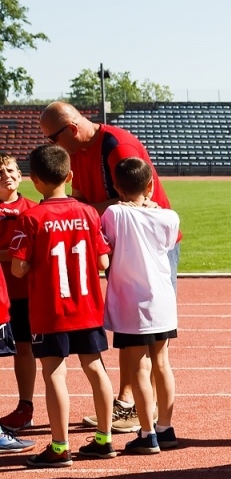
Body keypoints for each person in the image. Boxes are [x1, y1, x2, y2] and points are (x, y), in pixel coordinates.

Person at [40, 100, 177, 435]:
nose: (52, 147)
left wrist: (85, 212)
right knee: (139, 335)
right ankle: (141, 411)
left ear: (71, 129)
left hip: (145, 245)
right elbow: (85, 199)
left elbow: (134, 201)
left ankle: (136, 409)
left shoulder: (117, 146)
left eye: (53, 139)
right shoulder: (79, 152)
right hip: (116, 241)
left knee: (140, 334)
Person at [9, 144, 113, 466]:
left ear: (34, 181)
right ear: (69, 175)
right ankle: (105, 438)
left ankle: (59, 446)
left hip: (51, 311)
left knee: (54, 373)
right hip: (87, 307)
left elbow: (18, 268)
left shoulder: (31, 217)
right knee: (95, 367)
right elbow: (103, 262)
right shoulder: (88, 212)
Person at [100, 158, 180, 455]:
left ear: (117, 187)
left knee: (140, 367)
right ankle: (166, 427)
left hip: (131, 303)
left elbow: (106, 243)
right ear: (150, 185)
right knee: (162, 364)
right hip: (161, 299)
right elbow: (167, 244)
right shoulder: (169, 216)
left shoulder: (114, 213)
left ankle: (147, 433)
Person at [0, 154, 38, 431]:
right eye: (0, 172)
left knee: (24, 347)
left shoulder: (33, 209)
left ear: (20, 175)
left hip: (23, 293)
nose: (6, 176)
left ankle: (26, 407)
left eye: (11, 170)